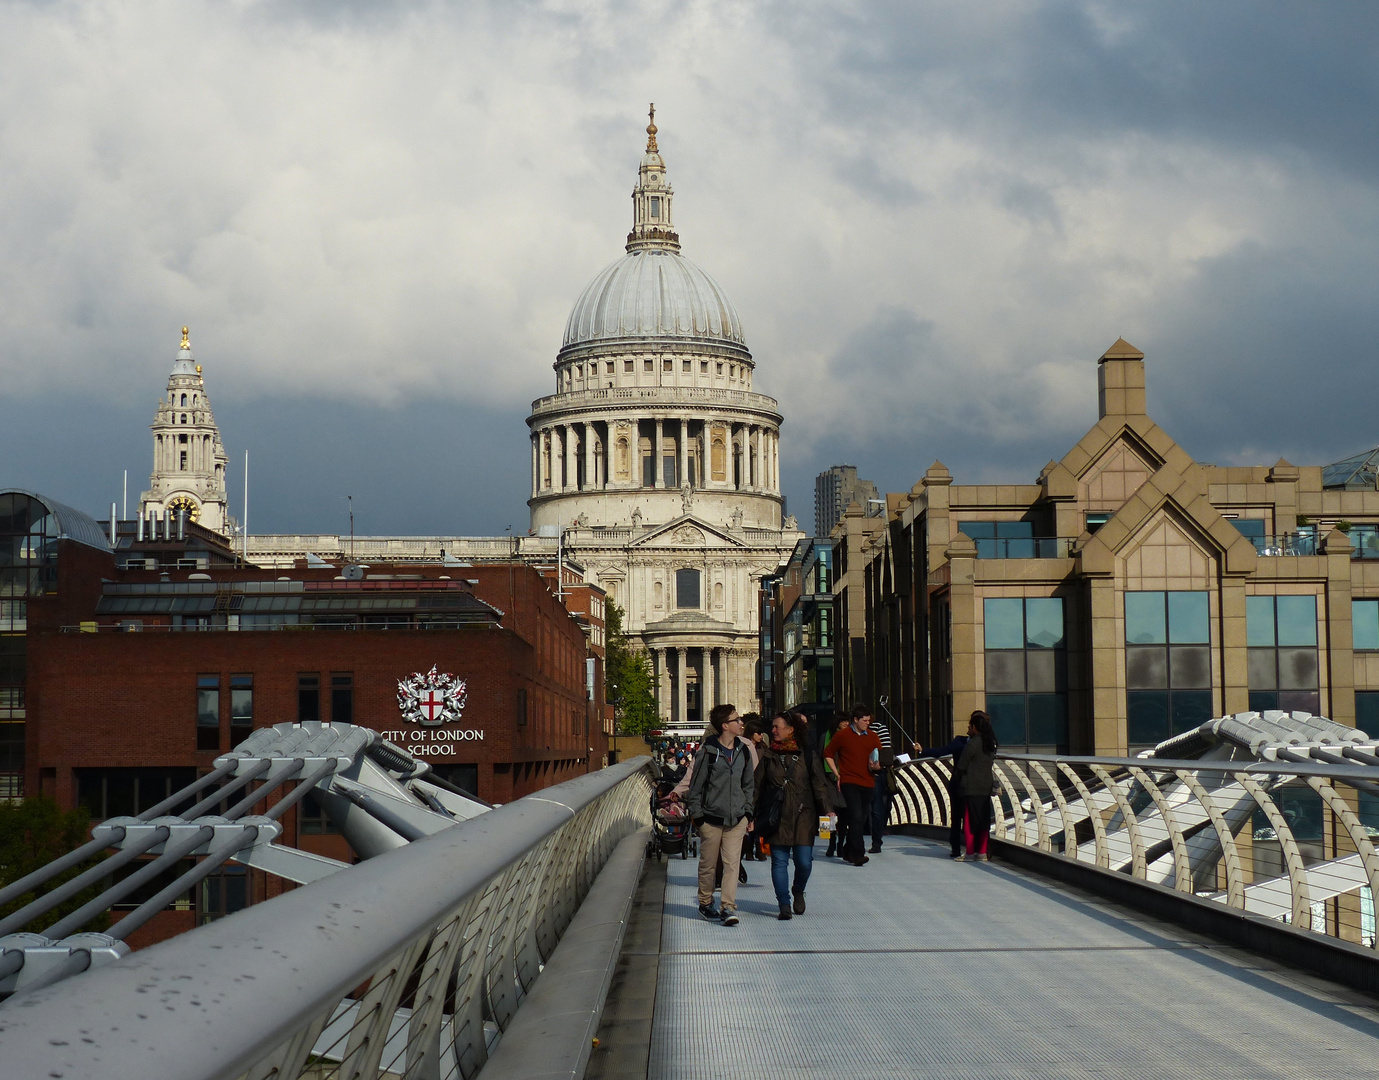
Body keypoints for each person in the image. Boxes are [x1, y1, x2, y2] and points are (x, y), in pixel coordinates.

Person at [755, 712, 836, 919]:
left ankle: (798, 889)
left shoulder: (807, 754)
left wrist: (828, 809)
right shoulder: (767, 755)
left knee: (804, 862)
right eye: (772, 727)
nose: (772, 731)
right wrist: (749, 814)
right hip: (776, 816)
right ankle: (784, 904)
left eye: (777, 727)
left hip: (803, 815)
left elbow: (819, 785)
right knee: (779, 862)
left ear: (791, 729)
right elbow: (757, 787)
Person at [684, 704, 755, 925]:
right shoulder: (708, 751)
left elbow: (748, 785)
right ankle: (705, 903)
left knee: (732, 863)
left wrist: (748, 813)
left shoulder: (743, 750)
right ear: (725, 726)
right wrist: (699, 817)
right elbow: (695, 787)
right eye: (737, 720)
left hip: (736, 819)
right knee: (709, 864)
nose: (741, 723)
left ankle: (728, 907)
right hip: (711, 819)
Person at [822, 703, 883, 866]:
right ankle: (858, 854)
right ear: (855, 720)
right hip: (849, 781)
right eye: (864, 720)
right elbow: (827, 753)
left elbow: (879, 757)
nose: (867, 723)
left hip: (868, 782)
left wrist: (878, 766)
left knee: (860, 818)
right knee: (855, 816)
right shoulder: (842, 735)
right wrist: (837, 773)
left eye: (869, 720)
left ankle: (848, 849)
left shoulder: (872, 736)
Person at [914, 730, 970, 858]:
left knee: (957, 817)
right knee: (960, 817)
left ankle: (958, 848)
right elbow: (941, 752)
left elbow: (941, 751)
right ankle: (964, 848)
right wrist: (923, 750)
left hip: (963, 784)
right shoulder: (963, 741)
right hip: (961, 786)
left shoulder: (964, 742)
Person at [954, 710, 999, 862]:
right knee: (984, 820)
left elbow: (962, 765)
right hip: (986, 787)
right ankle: (982, 852)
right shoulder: (990, 743)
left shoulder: (973, 743)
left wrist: (956, 781)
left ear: (975, 727)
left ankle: (970, 852)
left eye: (970, 725)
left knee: (969, 820)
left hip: (971, 786)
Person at [821, 712, 850, 858]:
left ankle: (840, 844)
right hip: (829, 779)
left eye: (848, 721)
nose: (846, 723)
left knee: (844, 813)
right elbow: (823, 756)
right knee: (828, 813)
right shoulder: (826, 736)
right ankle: (830, 843)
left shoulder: (850, 736)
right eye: (843, 721)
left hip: (845, 778)